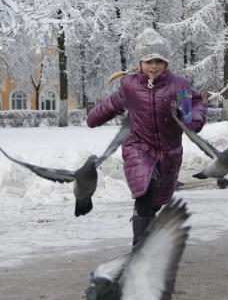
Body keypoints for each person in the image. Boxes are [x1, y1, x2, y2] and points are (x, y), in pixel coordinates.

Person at [86, 27, 207, 246]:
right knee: (145, 189)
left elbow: (192, 104)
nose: (153, 66)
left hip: (169, 151)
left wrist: (192, 120)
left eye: (159, 61)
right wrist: (93, 118)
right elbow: (112, 104)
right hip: (138, 147)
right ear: (140, 62)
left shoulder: (178, 85)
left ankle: (144, 224)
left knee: (155, 202)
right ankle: (140, 249)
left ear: (166, 63)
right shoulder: (130, 85)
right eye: (149, 61)